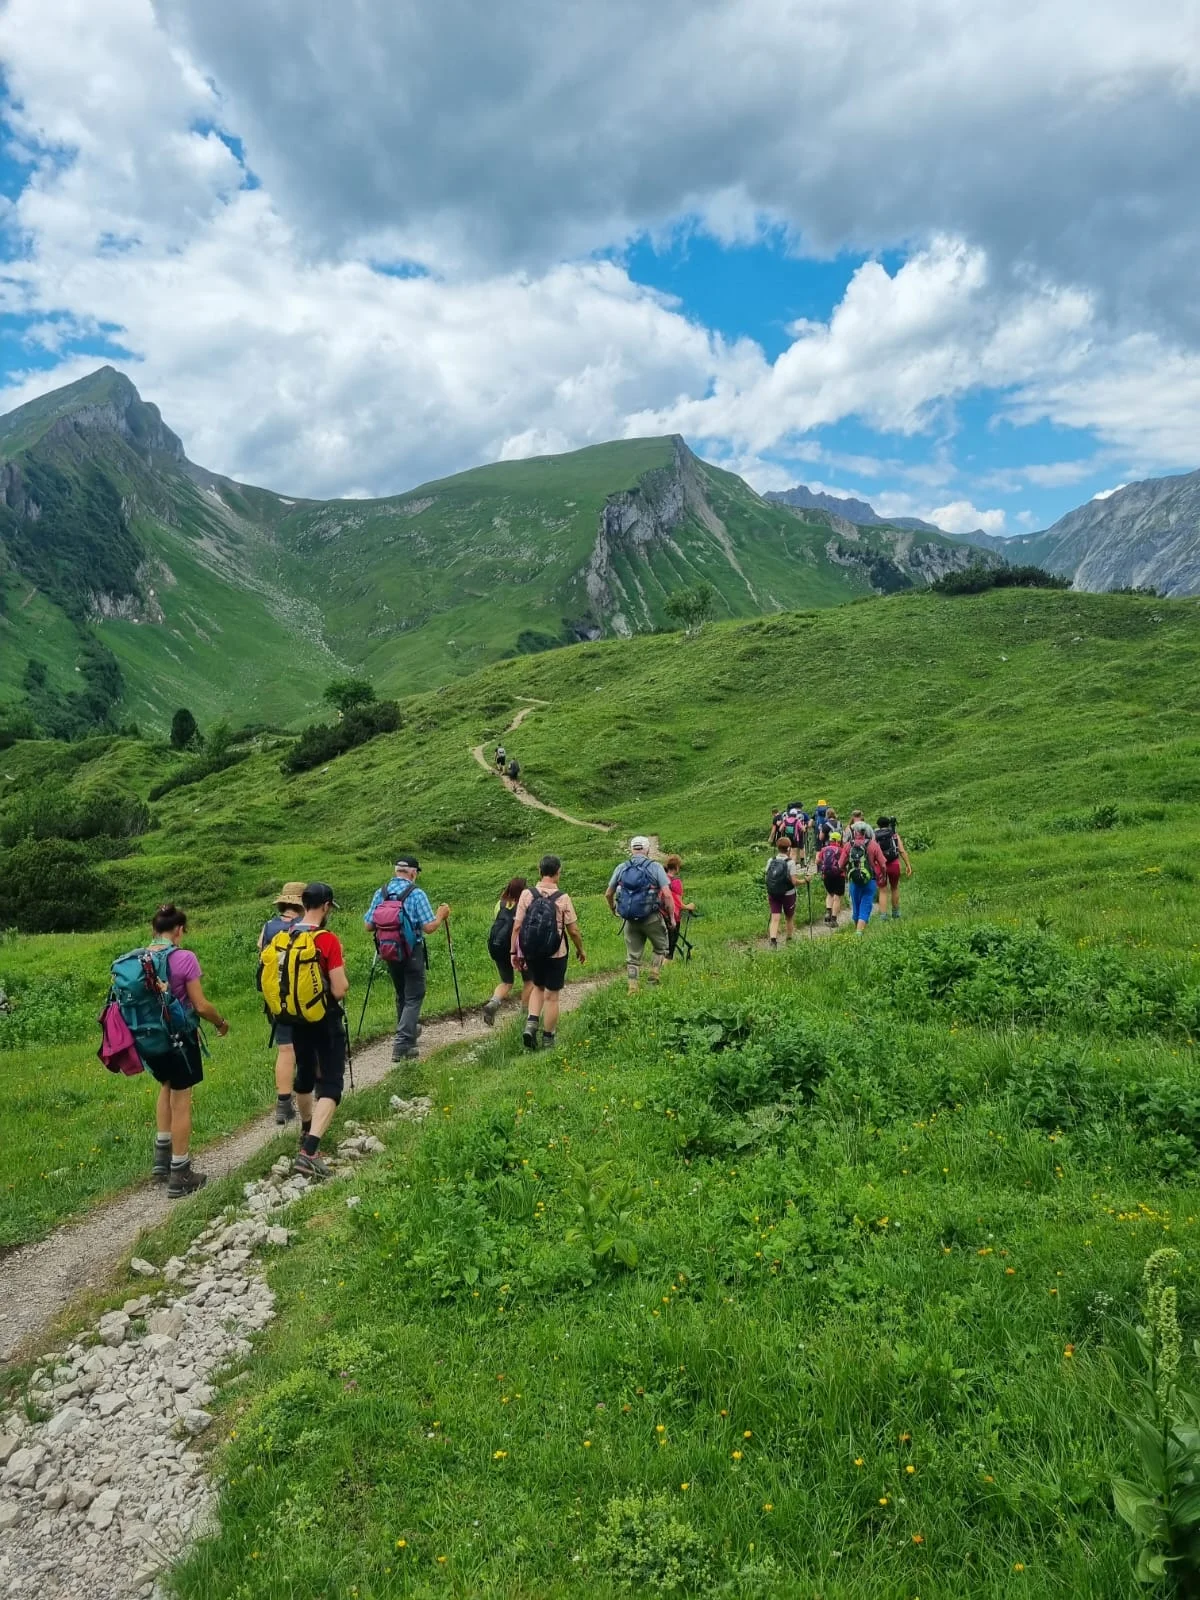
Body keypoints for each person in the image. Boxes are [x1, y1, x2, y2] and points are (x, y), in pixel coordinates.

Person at [141, 904, 229, 1199]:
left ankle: (161, 1160)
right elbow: (201, 1005)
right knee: (182, 1098)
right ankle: (180, 1173)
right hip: (180, 1038)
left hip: (151, 1041)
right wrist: (221, 1022)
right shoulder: (184, 958)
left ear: (154, 929)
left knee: (166, 1087)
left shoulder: (141, 958)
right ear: (179, 929)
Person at [286, 884, 350, 1179]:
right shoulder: (327, 940)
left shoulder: (284, 936)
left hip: (294, 1019)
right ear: (325, 906)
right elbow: (339, 989)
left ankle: (305, 1129)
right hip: (324, 1018)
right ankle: (309, 1151)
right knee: (332, 1083)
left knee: (305, 1074)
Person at [364, 856, 451, 1062]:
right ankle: (402, 1044)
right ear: (412, 873)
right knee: (414, 995)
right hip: (412, 951)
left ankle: (409, 1036)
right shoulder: (416, 893)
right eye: (417, 873)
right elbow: (429, 927)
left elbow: (368, 925)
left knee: (402, 993)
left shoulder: (381, 893)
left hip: (389, 952)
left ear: (396, 871)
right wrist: (441, 914)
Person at [512, 855, 585, 1049]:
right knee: (552, 996)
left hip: (532, 952)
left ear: (540, 870)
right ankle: (548, 1039)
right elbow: (574, 931)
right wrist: (580, 950)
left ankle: (531, 1024)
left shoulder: (527, 894)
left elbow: (518, 927)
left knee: (538, 987)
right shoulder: (563, 898)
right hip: (556, 953)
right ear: (558, 872)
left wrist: (515, 953)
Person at [258, 881, 306, 1124]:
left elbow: (262, 958)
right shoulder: (306, 926)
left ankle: (283, 1105)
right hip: (303, 999)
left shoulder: (268, 927)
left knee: (285, 1049)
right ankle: (313, 1096)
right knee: (310, 1046)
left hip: (276, 1000)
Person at [606, 836, 675, 993]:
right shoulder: (655, 867)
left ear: (632, 849)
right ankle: (654, 974)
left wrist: (613, 909)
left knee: (633, 956)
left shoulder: (621, 867)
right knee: (661, 947)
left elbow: (608, 893)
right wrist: (671, 918)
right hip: (652, 917)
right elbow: (667, 894)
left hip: (630, 919)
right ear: (648, 849)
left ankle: (632, 987)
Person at [482, 876, 531, 1025]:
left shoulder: (499, 904)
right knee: (529, 980)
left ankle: (494, 1003)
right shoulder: (526, 904)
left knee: (506, 981)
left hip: (498, 945)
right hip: (518, 947)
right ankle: (525, 1014)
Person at [839, 823, 887, 934]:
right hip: (870, 880)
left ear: (854, 832)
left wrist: (847, 873)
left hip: (854, 882)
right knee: (866, 905)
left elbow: (840, 864)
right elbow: (883, 864)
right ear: (866, 832)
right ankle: (859, 934)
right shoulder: (873, 845)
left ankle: (858, 932)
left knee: (856, 906)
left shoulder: (848, 846)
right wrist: (882, 875)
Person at [764, 837, 800, 947]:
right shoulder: (790, 863)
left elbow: (767, 876)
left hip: (773, 893)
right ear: (788, 848)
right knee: (789, 917)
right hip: (788, 894)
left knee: (775, 918)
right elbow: (794, 882)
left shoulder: (771, 860)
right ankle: (789, 939)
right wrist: (805, 881)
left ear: (778, 847)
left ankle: (773, 941)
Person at [875, 816, 913, 918]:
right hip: (894, 864)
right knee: (894, 888)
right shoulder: (894, 835)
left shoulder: (874, 836)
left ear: (878, 825)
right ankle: (895, 912)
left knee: (882, 890)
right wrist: (908, 865)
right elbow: (901, 850)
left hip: (880, 865)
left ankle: (883, 915)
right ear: (888, 824)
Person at [663, 854, 696, 959]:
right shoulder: (676, 882)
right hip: (673, 916)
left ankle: (658, 964)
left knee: (661, 943)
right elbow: (679, 904)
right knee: (671, 944)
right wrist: (689, 906)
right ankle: (664, 967)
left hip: (660, 914)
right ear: (677, 867)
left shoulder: (660, 878)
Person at [817, 830, 845, 926]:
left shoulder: (824, 849)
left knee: (829, 894)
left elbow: (818, 861)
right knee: (837, 897)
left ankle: (828, 913)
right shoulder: (841, 850)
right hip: (839, 875)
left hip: (826, 875)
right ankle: (833, 919)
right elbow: (844, 862)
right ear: (838, 840)